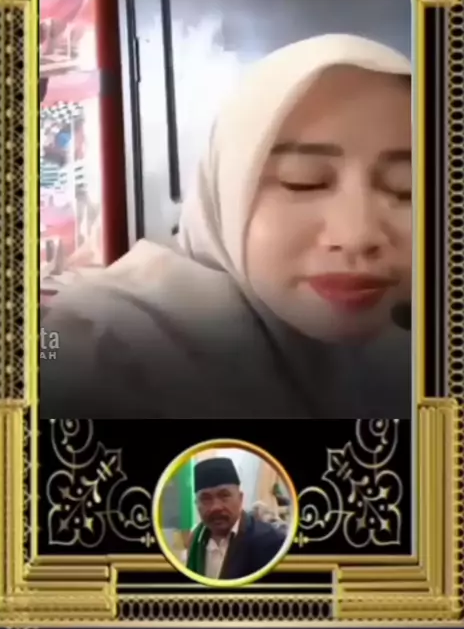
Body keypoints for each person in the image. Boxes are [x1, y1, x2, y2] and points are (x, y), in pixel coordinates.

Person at [40, 33, 412, 419]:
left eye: (407, 188)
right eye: (303, 180)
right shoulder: (100, 343)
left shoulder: (414, 344)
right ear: (227, 185)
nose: (357, 235)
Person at [185, 458, 287, 580]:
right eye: (206, 499)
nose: (215, 507)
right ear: (197, 504)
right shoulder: (195, 539)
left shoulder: (270, 541)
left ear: (240, 498)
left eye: (224, 495)